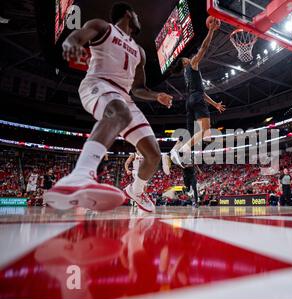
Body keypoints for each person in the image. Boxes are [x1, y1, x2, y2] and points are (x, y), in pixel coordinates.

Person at [44, 2, 173, 212]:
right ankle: (80, 175)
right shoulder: (103, 27)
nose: (139, 19)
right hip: (97, 84)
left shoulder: (140, 51)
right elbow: (79, 35)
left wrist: (156, 95)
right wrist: (71, 42)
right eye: (136, 15)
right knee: (119, 111)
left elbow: (138, 89)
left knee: (153, 155)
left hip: (124, 97)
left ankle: (136, 190)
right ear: (129, 14)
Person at [162, 16, 225, 171]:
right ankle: (183, 150)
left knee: (190, 132)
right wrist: (210, 31)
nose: (189, 57)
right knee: (204, 131)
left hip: (190, 100)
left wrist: (214, 104)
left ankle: (172, 151)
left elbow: (201, 93)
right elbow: (204, 48)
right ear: (185, 62)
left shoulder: (186, 75)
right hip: (195, 99)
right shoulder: (192, 65)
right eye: (187, 58)